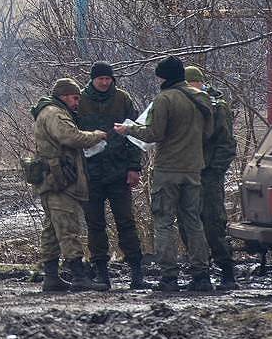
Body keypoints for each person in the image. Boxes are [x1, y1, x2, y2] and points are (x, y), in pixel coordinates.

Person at [114, 55, 214, 292]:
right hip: (193, 168)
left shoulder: (165, 99)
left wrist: (129, 129)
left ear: (165, 76)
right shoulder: (202, 98)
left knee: (164, 222)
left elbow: (154, 134)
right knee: (193, 222)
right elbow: (208, 134)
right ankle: (201, 275)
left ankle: (169, 276)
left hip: (168, 169)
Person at [31, 77, 109, 292]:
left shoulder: (47, 112)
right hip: (59, 181)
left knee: (51, 229)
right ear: (64, 96)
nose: (77, 102)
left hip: (52, 179)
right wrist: (96, 136)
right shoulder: (55, 113)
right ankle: (78, 275)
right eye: (75, 98)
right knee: (68, 228)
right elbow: (70, 137)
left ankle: (52, 276)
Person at [77, 61, 147, 290]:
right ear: (92, 79)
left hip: (119, 171)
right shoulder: (80, 100)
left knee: (126, 222)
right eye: (101, 79)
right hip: (91, 173)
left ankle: (136, 271)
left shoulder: (123, 99)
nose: (105, 83)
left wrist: (134, 167)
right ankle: (101, 272)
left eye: (108, 79)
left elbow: (134, 134)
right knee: (95, 224)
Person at [179, 65, 239, 290]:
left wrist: (214, 171)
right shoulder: (184, 105)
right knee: (189, 224)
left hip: (209, 173)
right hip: (188, 171)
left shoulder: (217, 107)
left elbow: (226, 143)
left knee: (214, 223)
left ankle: (227, 271)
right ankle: (200, 272)